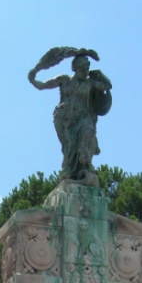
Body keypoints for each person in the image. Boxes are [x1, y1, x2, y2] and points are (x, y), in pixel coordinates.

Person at [28, 48, 112, 184]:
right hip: (65, 119)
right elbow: (43, 85)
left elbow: (107, 86)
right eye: (83, 68)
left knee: (89, 130)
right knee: (70, 145)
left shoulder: (89, 83)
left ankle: (86, 165)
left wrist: (99, 74)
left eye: (87, 68)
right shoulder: (65, 80)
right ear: (75, 68)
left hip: (83, 116)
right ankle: (69, 172)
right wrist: (33, 78)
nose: (85, 72)